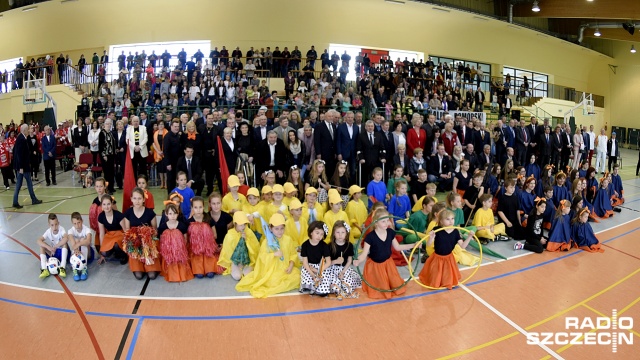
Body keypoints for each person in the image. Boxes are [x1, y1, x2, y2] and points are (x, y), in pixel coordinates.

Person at [353, 209, 416, 299]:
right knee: (381, 289)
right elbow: (364, 254)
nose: (386, 223)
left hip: (388, 264)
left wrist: (413, 245)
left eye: (387, 220)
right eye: (383, 221)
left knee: (397, 286)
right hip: (376, 266)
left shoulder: (390, 232)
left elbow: (398, 247)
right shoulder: (370, 237)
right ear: (376, 223)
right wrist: (358, 260)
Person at [236, 214, 300, 298]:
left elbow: (293, 254)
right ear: (270, 228)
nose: (279, 231)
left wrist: (291, 265)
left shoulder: (288, 239)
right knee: (273, 282)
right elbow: (262, 257)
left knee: (297, 276)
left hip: (285, 268)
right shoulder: (267, 242)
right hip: (271, 270)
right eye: (276, 229)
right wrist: (274, 254)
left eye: (282, 228)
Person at [419, 209, 474, 290]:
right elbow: (428, 244)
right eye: (447, 219)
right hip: (437, 257)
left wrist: (469, 237)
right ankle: (437, 283)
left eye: (452, 218)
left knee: (447, 274)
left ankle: (445, 282)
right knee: (436, 274)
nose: (451, 221)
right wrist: (431, 237)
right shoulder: (436, 229)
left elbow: (462, 246)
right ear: (441, 221)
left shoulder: (455, 231)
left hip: (449, 258)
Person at [123, 187, 161, 280]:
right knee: (139, 276)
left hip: (148, 245)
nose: (137, 201)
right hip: (135, 246)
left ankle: (150, 265)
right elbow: (127, 231)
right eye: (135, 198)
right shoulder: (128, 213)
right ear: (131, 199)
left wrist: (146, 237)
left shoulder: (150, 213)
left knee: (151, 276)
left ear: (144, 199)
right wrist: (135, 240)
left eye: (140, 198)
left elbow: (155, 231)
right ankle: (139, 264)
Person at [158, 202, 193, 283]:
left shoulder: (181, 226)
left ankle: (180, 271)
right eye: (170, 213)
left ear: (178, 214)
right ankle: (170, 271)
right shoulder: (163, 227)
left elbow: (185, 239)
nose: (172, 215)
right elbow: (161, 240)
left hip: (179, 252)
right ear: (166, 214)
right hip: (168, 253)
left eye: (174, 213)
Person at [188, 196, 223, 279]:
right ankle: (198, 268)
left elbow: (215, 235)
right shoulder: (189, 221)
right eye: (195, 207)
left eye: (200, 207)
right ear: (192, 208)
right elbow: (187, 237)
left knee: (210, 274)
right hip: (196, 251)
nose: (198, 210)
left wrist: (206, 238)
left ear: (204, 207)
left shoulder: (208, 219)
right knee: (199, 275)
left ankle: (209, 267)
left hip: (208, 249)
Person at [219, 211, 260, 280]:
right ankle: (236, 267)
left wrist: (246, 240)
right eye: (241, 225)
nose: (243, 227)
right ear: (235, 224)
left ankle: (245, 268)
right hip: (235, 261)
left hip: (248, 260)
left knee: (247, 275)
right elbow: (228, 251)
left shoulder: (248, 232)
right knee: (237, 276)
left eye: (245, 224)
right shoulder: (230, 235)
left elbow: (255, 247)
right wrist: (236, 262)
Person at [327, 221, 361, 299]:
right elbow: (327, 262)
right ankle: (338, 289)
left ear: (346, 234)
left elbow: (349, 261)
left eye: (343, 232)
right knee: (334, 286)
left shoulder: (349, 245)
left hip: (344, 269)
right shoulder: (330, 246)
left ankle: (344, 288)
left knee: (348, 286)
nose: (340, 235)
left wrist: (342, 272)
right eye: (337, 232)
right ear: (334, 234)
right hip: (332, 269)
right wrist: (335, 261)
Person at [12, 124, 42, 208]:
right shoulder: (21, 139)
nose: (29, 131)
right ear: (24, 130)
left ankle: (15, 201)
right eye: (27, 129)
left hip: (22, 166)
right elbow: (19, 154)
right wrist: (21, 167)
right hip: (23, 167)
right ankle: (33, 199)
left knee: (19, 184)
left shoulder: (20, 138)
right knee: (28, 183)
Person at [299, 221, 333, 295]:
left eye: (321, 234)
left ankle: (321, 288)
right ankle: (310, 286)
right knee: (307, 279)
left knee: (323, 286)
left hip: (321, 267)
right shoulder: (305, 245)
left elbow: (328, 262)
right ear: (311, 232)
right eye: (317, 233)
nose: (319, 236)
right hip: (309, 267)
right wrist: (312, 273)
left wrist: (318, 270)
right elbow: (305, 262)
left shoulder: (324, 246)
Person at [97, 194, 128, 265]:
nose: (106, 207)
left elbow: (125, 231)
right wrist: (102, 250)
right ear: (101, 205)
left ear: (112, 204)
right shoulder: (101, 216)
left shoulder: (119, 215)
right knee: (104, 253)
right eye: (104, 204)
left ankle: (123, 255)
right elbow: (102, 234)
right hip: (109, 235)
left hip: (120, 234)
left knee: (116, 245)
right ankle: (114, 251)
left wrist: (128, 247)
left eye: (108, 204)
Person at [37, 213, 68, 279]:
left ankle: (62, 267)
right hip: (54, 252)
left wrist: (56, 246)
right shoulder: (48, 231)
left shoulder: (61, 229)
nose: (54, 227)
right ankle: (44, 269)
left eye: (56, 224)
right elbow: (38, 240)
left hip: (62, 252)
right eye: (52, 225)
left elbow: (66, 238)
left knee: (64, 243)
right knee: (42, 246)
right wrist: (49, 247)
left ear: (58, 223)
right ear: (49, 225)